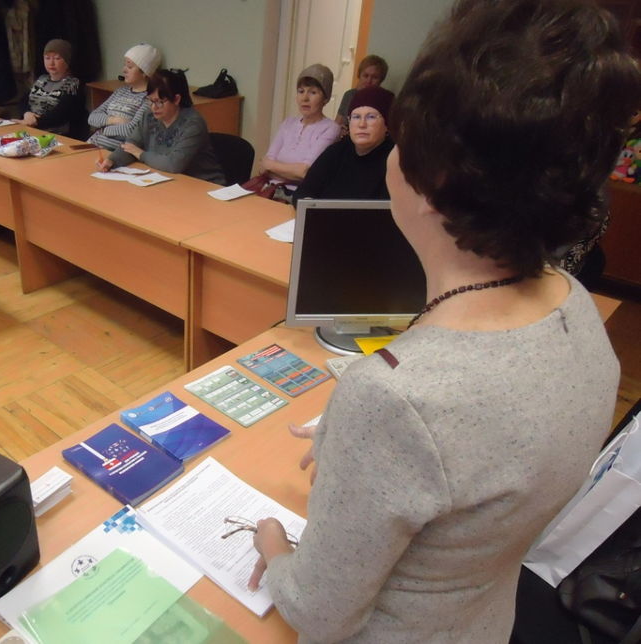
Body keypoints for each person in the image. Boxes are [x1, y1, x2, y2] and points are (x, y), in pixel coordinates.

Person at [248, 1, 640, 642]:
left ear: (433, 179)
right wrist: (371, 451)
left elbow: (319, 612)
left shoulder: (394, 397)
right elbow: (493, 448)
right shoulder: (576, 306)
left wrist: (272, 544)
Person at [97, 69, 225, 185]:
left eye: (159, 102)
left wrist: (141, 154)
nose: (153, 107)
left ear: (176, 99)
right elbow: (131, 145)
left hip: (203, 185)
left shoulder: (192, 124)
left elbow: (174, 164)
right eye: (150, 100)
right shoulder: (149, 116)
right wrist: (112, 161)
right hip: (169, 181)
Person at [293, 86, 395, 207]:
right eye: (356, 117)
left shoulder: (396, 160)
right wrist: (311, 207)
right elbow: (303, 191)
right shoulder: (337, 151)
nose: (362, 124)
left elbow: (387, 212)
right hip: (323, 218)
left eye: (371, 117)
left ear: (387, 124)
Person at [257, 64, 339, 200]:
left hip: (298, 197)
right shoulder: (288, 123)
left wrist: (272, 167)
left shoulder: (330, 128)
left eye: (313, 92)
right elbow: (263, 168)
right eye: (301, 91)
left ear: (325, 98)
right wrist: (290, 171)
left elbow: (305, 172)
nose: (305, 98)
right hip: (269, 190)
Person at [87, 43, 161, 150]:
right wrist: (113, 120)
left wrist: (103, 129)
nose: (124, 70)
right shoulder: (120, 91)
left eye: (130, 67)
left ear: (144, 72)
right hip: (91, 145)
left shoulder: (149, 98)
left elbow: (132, 130)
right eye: (125, 65)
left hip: (114, 152)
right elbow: (92, 117)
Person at [18, 39, 87, 139]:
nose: (51, 63)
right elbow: (24, 101)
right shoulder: (41, 79)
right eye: (47, 58)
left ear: (67, 61)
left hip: (57, 135)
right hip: (31, 128)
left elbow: (60, 115)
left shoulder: (73, 84)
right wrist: (27, 113)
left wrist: (34, 122)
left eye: (57, 58)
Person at [335, 54, 392, 129]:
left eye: (374, 77)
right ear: (359, 75)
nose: (369, 81)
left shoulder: (387, 99)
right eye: (365, 76)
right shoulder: (349, 95)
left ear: (381, 80)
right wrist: (340, 129)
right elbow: (337, 123)